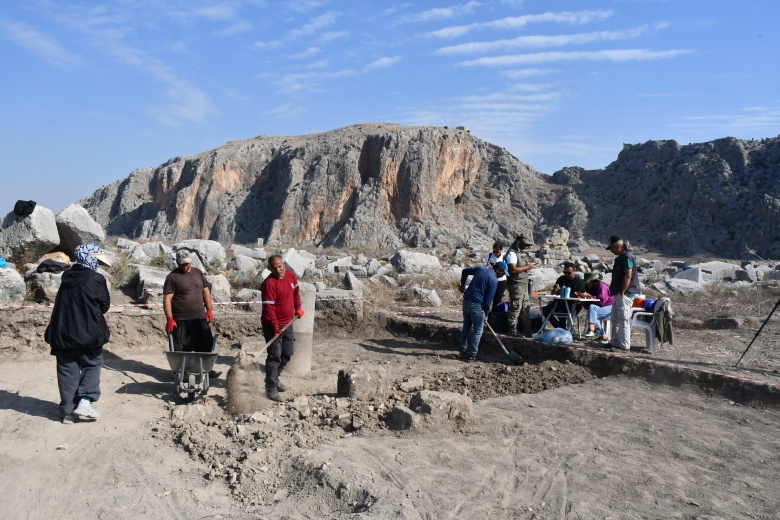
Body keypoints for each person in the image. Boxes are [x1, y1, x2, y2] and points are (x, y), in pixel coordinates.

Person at [45, 244, 112, 424]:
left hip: (63, 335)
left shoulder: (66, 277)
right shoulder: (96, 279)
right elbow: (104, 305)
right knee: (92, 364)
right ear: (90, 259)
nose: (97, 263)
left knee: (67, 371)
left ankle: (67, 413)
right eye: (96, 259)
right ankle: (85, 400)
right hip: (88, 335)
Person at [261, 255, 304, 402]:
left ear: (283, 264)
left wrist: (298, 307)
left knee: (288, 352)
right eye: (274, 268)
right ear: (270, 269)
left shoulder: (290, 276)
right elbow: (268, 308)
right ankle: (270, 387)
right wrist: (274, 326)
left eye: (279, 266)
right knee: (275, 355)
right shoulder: (269, 284)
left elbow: (296, 294)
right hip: (272, 325)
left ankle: (275, 377)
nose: (278, 270)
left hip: (288, 323)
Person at [163, 250, 216, 354]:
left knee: (205, 347)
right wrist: (169, 319)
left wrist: (209, 309)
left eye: (186, 263)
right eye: (181, 264)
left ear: (190, 261)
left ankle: (205, 369)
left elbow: (205, 291)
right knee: (180, 349)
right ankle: (181, 370)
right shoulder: (172, 277)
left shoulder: (198, 273)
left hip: (199, 318)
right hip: (181, 320)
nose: (184, 266)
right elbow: (167, 299)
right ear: (177, 262)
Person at [458, 261, 509, 361]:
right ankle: (472, 355)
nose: (502, 275)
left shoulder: (481, 269)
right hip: (476, 305)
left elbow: (465, 271)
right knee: (478, 331)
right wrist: (486, 314)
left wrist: (462, 285)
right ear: (498, 270)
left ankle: (462, 350)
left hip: (466, 302)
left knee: (466, 327)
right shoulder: (494, 280)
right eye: (502, 273)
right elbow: (487, 300)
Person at [607, 235, 641, 351]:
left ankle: (624, 345)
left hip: (624, 294)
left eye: (611, 247)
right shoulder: (620, 258)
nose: (611, 250)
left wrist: (622, 291)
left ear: (617, 246)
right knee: (615, 319)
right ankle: (614, 342)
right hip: (617, 293)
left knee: (623, 319)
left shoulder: (627, 257)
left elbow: (628, 275)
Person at [505, 235, 536, 336]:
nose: (524, 247)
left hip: (522, 284)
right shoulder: (511, 254)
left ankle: (527, 329)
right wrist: (527, 267)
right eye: (523, 245)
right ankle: (512, 330)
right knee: (516, 306)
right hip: (516, 284)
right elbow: (513, 269)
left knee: (525, 306)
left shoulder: (518, 254)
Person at [541, 261, 586, 329]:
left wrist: (569, 294)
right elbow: (553, 292)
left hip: (573, 304)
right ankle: (561, 327)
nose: (567, 274)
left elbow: (581, 295)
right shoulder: (561, 279)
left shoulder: (579, 281)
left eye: (569, 273)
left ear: (574, 271)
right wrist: (555, 290)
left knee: (562, 312)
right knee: (545, 310)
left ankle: (562, 328)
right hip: (559, 302)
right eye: (565, 272)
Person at [577, 272, 614, 342]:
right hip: (599, 308)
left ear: (593, 282)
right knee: (592, 313)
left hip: (610, 307)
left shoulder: (602, 287)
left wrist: (589, 296)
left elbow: (601, 302)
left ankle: (592, 329)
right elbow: (587, 307)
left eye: (588, 283)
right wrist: (583, 298)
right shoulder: (590, 289)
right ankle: (603, 336)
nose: (586, 285)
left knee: (592, 312)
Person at [482, 241, 506, 308]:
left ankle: (495, 315)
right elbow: (483, 268)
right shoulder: (489, 255)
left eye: (497, 252)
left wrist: (496, 266)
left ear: (500, 250)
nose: (495, 253)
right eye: (494, 251)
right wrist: (488, 264)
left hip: (500, 281)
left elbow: (506, 269)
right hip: (490, 280)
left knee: (497, 299)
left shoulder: (504, 257)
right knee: (487, 297)